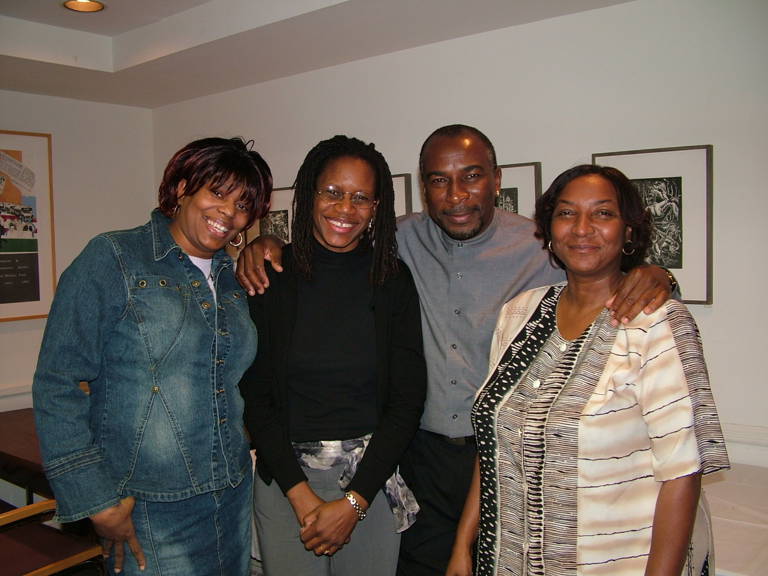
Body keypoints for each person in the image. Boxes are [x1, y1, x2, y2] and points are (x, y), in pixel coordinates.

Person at [235, 125, 675, 576]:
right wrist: (262, 246)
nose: (456, 195)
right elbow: (324, 259)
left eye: (471, 176)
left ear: (496, 179)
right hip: (419, 456)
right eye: (439, 181)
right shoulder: (398, 243)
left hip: (499, 454)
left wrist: (655, 273)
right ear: (423, 188)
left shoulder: (544, 247)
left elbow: (597, 258)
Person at [446, 164, 729, 576]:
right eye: (566, 213)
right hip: (506, 561)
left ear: (628, 231)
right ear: (548, 230)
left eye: (602, 213)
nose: (582, 228)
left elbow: (682, 475)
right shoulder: (519, 313)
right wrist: (462, 546)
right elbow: (493, 446)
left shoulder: (659, 324)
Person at [33, 137, 272, 575]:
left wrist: (269, 242)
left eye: (242, 205)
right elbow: (57, 381)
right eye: (216, 193)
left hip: (232, 493)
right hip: (147, 506)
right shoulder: (115, 257)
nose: (228, 213)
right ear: (181, 188)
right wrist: (95, 499)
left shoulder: (235, 279)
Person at [239, 135, 426, 576]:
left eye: (361, 197)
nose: (346, 209)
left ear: (378, 206)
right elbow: (256, 394)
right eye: (333, 193)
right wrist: (300, 494)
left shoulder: (392, 279)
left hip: (369, 481)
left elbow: (407, 399)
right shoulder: (272, 276)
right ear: (309, 194)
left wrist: (354, 502)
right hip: (285, 483)